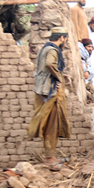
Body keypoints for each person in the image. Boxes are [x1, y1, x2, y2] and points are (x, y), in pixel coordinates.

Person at [28, 27, 72, 170]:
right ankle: (49, 158)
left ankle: (51, 156)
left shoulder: (45, 49)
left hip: (44, 92)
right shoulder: (53, 50)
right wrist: (58, 77)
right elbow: (49, 64)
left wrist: (61, 75)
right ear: (62, 38)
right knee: (51, 126)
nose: (65, 42)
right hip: (50, 93)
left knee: (51, 125)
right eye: (66, 39)